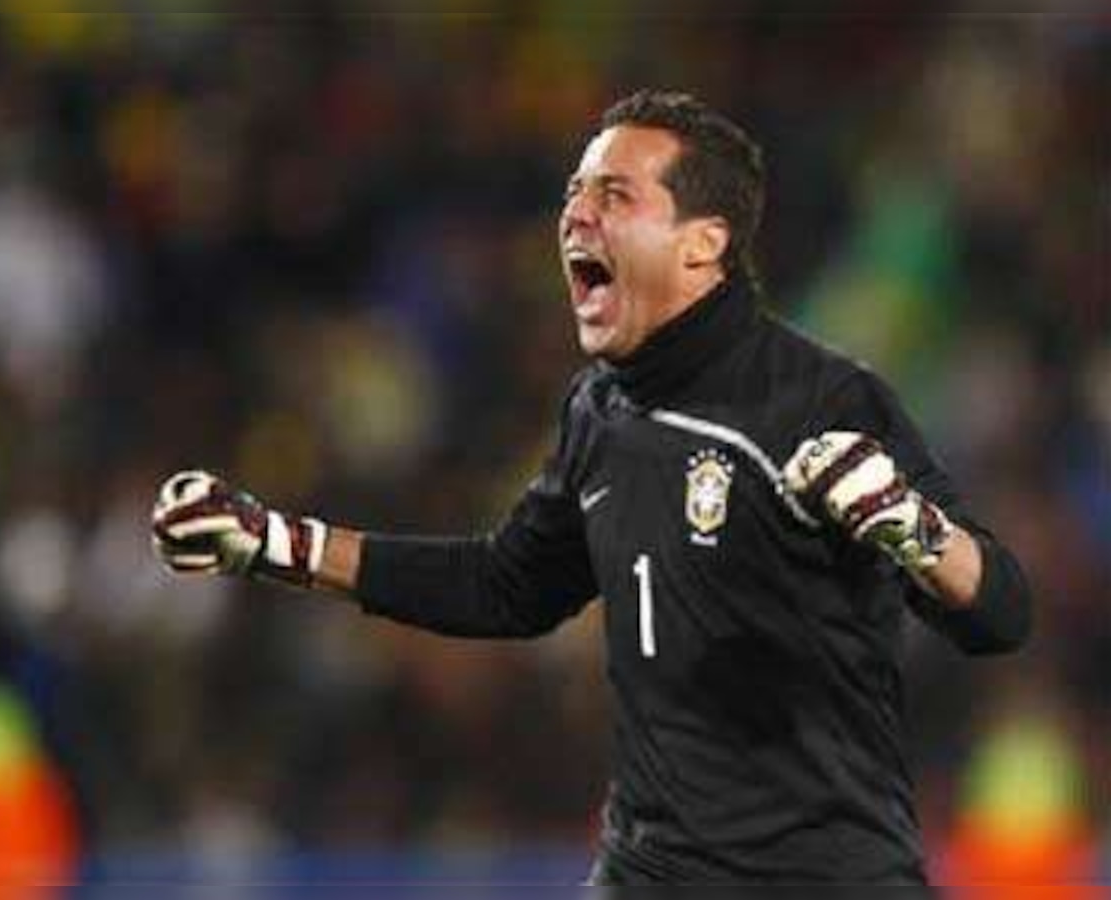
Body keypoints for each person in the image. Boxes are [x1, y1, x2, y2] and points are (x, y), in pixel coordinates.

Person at [151, 89, 1032, 885]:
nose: (575, 214)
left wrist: (911, 530)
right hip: (654, 870)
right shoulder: (599, 412)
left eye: (615, 195)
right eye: (574, 192)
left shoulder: (820, 399)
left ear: (702, 245)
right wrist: (282, 545)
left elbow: (999, 613)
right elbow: (508, 588)